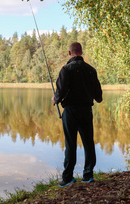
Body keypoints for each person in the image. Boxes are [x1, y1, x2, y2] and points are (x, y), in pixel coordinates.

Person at [52, 42, 102, 188]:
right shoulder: (91, 70)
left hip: (70, 111)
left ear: (70, 53)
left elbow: (59, 93)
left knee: (70, 144)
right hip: (86, 110)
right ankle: (88, 175)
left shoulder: (66, 69)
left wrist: (55, 99)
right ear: (81, 52)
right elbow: (98, 96)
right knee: (88, 143)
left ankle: (67, 178)